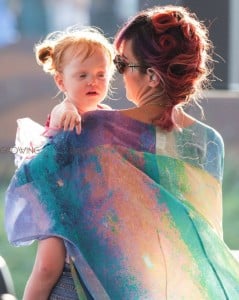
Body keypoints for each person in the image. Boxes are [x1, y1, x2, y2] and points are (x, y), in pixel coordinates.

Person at [5, 5, 239, 299]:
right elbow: (200, 249)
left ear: (152, 75)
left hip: (82, 288)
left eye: (122, 64)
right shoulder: (209, 142)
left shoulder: (86, 133)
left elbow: (46, 260)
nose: (116, 75)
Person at [13, 25, 115, 300]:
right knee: (48, 266)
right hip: (58, 206)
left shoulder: (109, 117)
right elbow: (60, 118)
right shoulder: (66, 113)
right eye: (82, 75)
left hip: (95, 206)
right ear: (61, 82)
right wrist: (66, 107)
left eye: (101, 75)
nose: (93, 82)